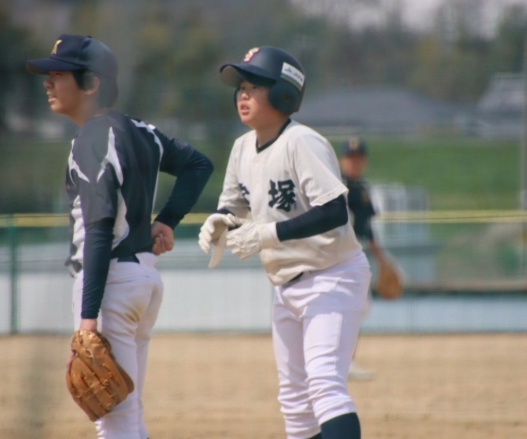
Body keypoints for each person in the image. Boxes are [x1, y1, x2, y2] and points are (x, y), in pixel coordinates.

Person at [27, 34, 213, 438]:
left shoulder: (92, 138)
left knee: (116, 424)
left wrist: (88, 320)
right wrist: (167, 221)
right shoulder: (142, 131)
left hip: (109, 283)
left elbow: (99, 228)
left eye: (59, 74)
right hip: (141, 280)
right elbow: (198, 165)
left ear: (91, 84)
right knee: (129, 417)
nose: (48, 82)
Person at [198, 46, 370, 439]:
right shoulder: (242, 147)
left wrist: (268, 233)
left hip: (332, 276)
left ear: (283, 93)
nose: (243, 94)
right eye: (241, 87)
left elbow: (334, 211)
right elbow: (234, 205)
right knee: (294, 401)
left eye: (254, 86)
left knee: (324, 384)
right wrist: (221, 220)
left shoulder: (302, 142)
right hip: (284, 285)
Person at [339, 138, 382, 380]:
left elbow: (367, 228)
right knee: (347, 309)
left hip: (355, 257)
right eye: (350, 158)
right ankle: (341, 362)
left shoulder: (362, 187)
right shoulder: (336, 187)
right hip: (337, 258)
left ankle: (347, 361)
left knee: (359, 308)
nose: (354, 163)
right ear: (342, 160)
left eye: (358, 158)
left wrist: (382, 259)